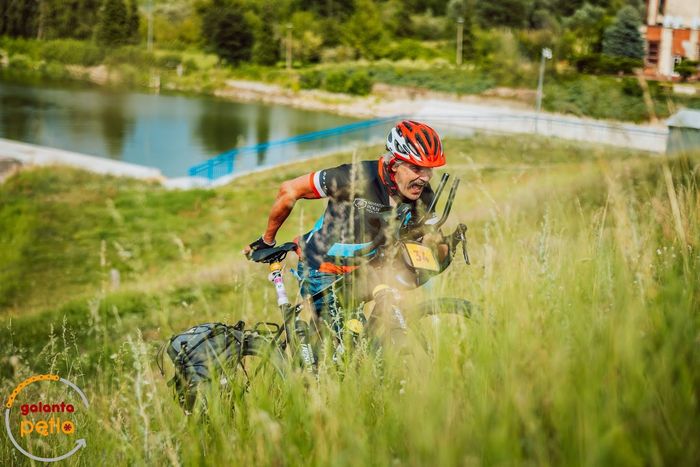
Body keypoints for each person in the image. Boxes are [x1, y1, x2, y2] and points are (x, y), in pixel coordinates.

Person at [243, 120, 450, 337]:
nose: (425, 178)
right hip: (321, 268)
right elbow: (289, 189)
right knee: (346, 340)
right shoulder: (356, 177)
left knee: (367, 337)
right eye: (416, 168)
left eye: (429, 169)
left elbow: (429, 241)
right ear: (395, 164)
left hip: (362, 270)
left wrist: (439, 248)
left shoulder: (423, 193)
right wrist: (267, 240)